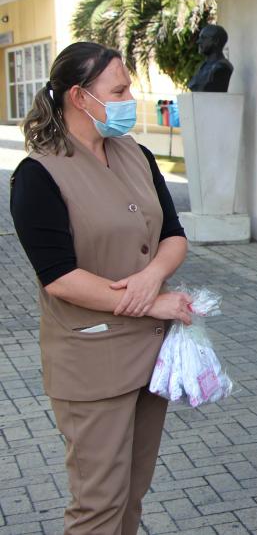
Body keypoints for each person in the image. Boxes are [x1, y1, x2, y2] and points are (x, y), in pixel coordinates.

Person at [9, 42, 192, 534]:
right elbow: (60, 277)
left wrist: (153, 275)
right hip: (92, 362)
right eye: (120, 91)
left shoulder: (136, 154)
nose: (131, 99)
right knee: (98, 504)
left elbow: (173, 234)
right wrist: (152, 302)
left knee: (131, 494)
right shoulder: (39, 175)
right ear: (79, 96)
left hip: (150, 354)